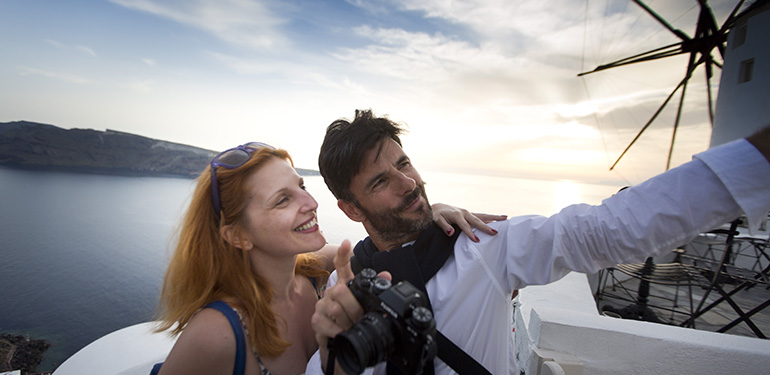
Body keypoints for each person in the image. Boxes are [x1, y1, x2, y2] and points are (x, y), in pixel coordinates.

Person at [308, 109, 770, 375]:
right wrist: (330, 354)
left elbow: (606, 229)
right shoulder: (344, 286)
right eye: (380, 182)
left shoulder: (483, 246)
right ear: (350, 209)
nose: (408, 183)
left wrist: (752, 165)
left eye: (405, 162)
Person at [152, 141, 505, 375]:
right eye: (282, 200)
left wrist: (430, 217)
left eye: (301, 188)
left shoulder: (312, 275)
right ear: (238, 235)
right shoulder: (217, 332)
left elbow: (379, 249)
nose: (311, 204)